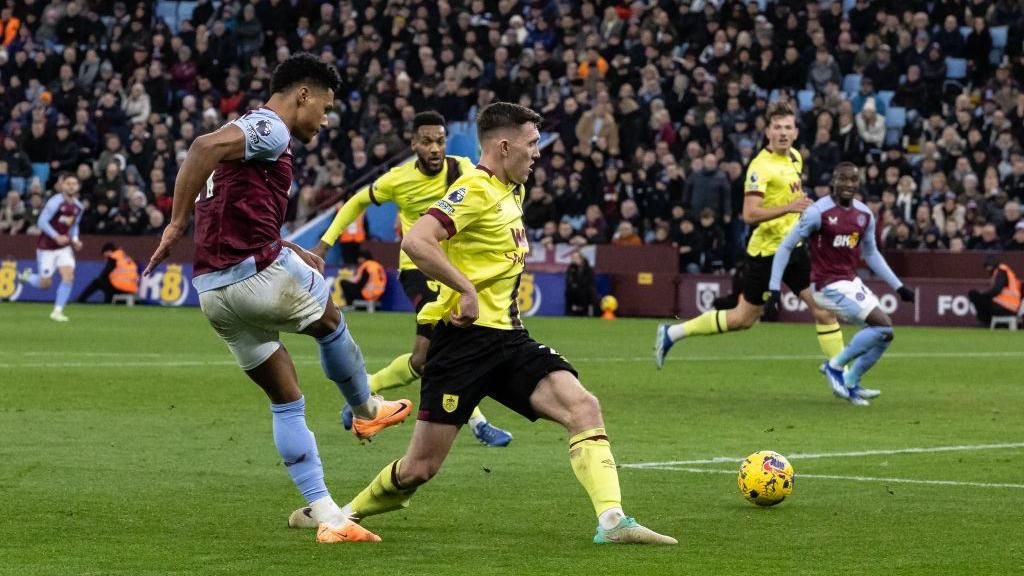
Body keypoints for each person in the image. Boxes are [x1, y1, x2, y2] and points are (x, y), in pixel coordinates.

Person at [313, 102, 675, 545]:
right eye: (532, 143)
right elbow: (417, 239)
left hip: (509, 341)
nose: (538, 153)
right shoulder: (475, 191)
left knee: (583, 407)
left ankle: (613, 521)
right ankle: (340, 516)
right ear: (505, 146)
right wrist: (464, 289)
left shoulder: (513, 189)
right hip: (462, 345)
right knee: (419, 468)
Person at [143, 53, 412, 544]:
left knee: (286, 402)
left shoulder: (248, 132)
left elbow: (234, 203)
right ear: (302, 95)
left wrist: (285, 244)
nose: (325, 119)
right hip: (257, 278)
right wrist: (176, 223)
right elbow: (201, 146)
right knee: (330, 322)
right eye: (324, 107)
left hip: (214, 292)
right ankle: (367, 407)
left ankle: (328, 516)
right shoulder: (271, 128)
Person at [313, 111, 513, 447]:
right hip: (417, 270)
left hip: (451, 271)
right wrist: (323, 245)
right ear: (414, 143)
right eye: (427, 141)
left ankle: (364, 391)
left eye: (440, 140)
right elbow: (355, 202)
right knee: (448, 348)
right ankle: (479, 425)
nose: (435, 148)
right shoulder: (397, 179)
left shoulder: (462, 169)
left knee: (423, 359)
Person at [655, 102, 846, 369]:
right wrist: (789, 207)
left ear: (795, 131)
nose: (782, 132)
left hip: (794, 248)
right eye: (777, 127)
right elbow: (749, 214)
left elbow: (791, 198)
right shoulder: (760, 167)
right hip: (766, 254)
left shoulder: (794, 157)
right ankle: (673, 332)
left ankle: (843, 376)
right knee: (742, 319)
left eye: (787, 127)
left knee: (824, 311)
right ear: (767, 131)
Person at [768, 163, 915, 406]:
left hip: (850, 281)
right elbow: (785, 246)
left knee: (885, 335)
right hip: (826, 285)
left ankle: (851, 380)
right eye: (843, 179)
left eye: (853, 180)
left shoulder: (864, 215)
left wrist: (898, 286)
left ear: (858, 184)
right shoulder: (817, 212)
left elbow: (872, 254)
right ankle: (834, 365)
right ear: (833, 182)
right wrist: (774, 286)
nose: (848, 184)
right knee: (882, 325)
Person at [18, 173, 83, 322]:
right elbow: (42, 222)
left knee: (68, 276)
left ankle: (57, 311)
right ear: (62, 185)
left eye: (74, 183)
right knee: (45, 283)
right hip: (46, 247)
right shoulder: (55, 202)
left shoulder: (78, 207)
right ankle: (26, 276)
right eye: (68, 183)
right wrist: (56, 236)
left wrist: (75, 239)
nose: (71, 186)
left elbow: (74, 225)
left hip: (64, 248)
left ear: (78, 187)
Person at [968, 256, 1021, 326]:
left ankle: (986, 322)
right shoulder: (1005, 271)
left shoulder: (1001, 271)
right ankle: (988, 322)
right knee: (981, 298)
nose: (988, 269)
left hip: (1005, 307)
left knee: (974, 295)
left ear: (992, 265)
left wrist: (983, 294)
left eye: (988, 267)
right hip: (1011, 307)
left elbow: (996, 290)